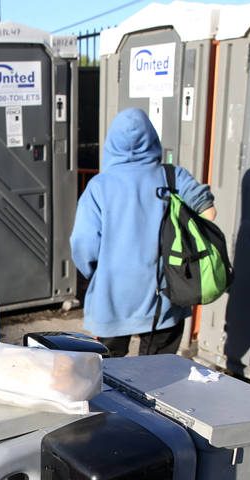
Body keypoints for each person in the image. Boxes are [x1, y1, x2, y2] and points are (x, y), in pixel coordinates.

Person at [70, 107, 217, 358]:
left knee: (106, 378)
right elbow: (208, 213)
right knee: (158, 379)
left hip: (112, 298)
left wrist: (99, 274)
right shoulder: (173, 177)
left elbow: (83, 244)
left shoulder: (99, 187)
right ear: (152, 139)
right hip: (163, 296)